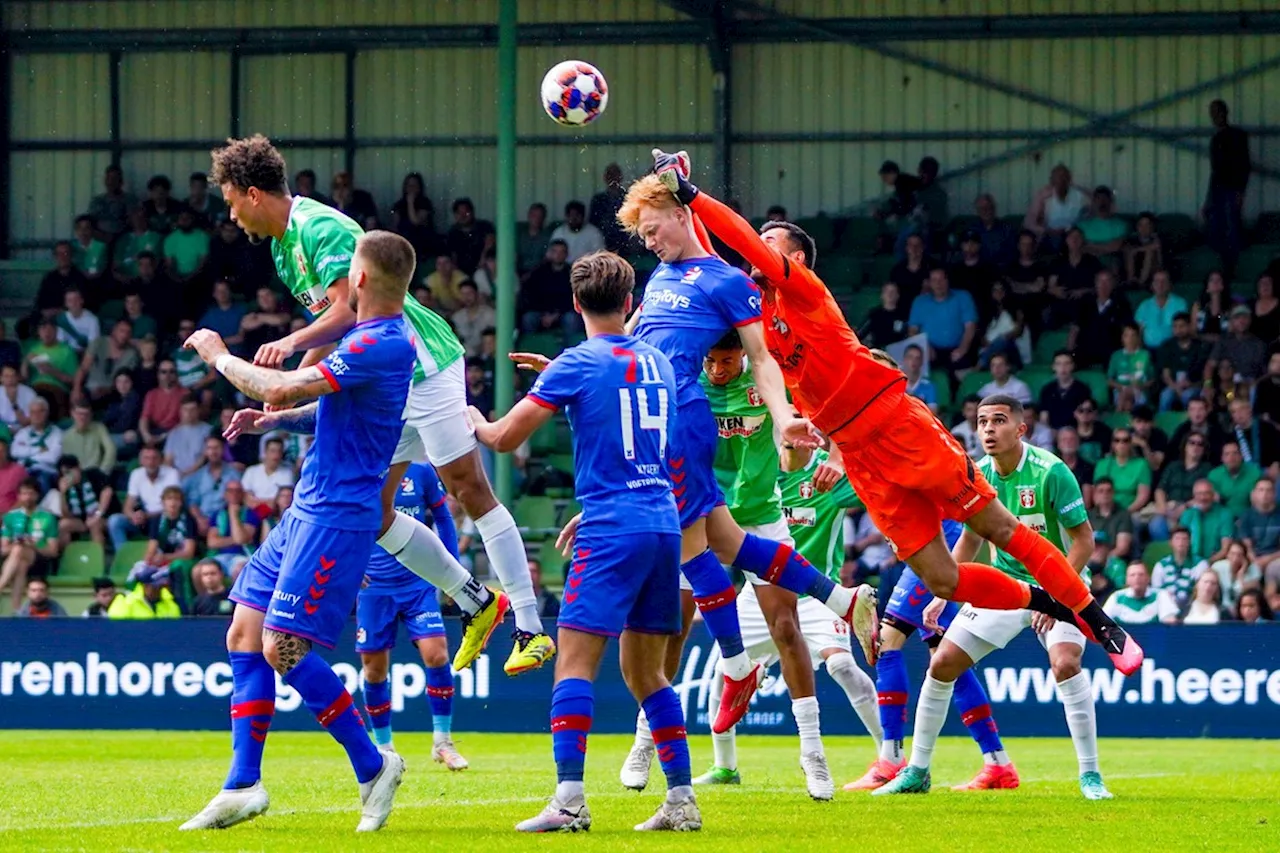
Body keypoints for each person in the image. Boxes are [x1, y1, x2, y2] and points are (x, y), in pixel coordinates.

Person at [652, 149, 1141, 672]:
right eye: (760, 245)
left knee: (999, 528)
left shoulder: (805, 291)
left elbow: (741, 239)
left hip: (896, 423)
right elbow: (707, 265)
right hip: (861, 456)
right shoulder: (757, 311)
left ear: (795, 260)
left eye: (771, 244)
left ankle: (1094, 619)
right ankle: (1041, 598)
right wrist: (679, 202)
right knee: (943, 580)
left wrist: (691, 194)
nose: (756, 252)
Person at [211, 135, 544, 675]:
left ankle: (529, 627)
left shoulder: (319, 228)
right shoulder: (281, 247)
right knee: (378, 512)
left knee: (467, 487)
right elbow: (330, 324)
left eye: (229, 201)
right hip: (385, 382)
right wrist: (291, 388)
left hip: (422, 363)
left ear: (252, 193)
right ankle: (478, 601)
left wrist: (290, 348)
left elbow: (352, 310)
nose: (230, 215)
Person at [178, 230, 427, 834]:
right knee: (245, 629)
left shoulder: (380, 340)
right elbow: (326, 407)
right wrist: (276, 420)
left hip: (338, 515)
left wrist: (218, 355)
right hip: (309, 506)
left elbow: (284, 380)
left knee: (283, 647)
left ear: (360, 279)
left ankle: (373, 766)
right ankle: (243, 784)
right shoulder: (368, 340)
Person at [613, 168, 877, 732]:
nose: (649, 242)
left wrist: (784, 418)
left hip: (687, 422)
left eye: (654, 229)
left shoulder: (756, 290)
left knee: (695, 551)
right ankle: (839, 600)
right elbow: (636, 333)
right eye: (644, 235)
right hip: (658, 421)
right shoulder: (668, 276)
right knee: (718, 542)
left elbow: (760, 358)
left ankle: (737, 666)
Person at [469, 250, 701, 832]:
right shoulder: (658, 362)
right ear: (630, 303)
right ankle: (681, 801)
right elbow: (627, 407)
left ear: (576, 304)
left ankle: (569, 802)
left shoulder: (575, 364)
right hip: (661, 525)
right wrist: (560, 374)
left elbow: (500, 440)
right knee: (648, 675)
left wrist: (468, 416)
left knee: (573, 665)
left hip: (611, 526)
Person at [875, 394, 1111, 800]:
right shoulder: (977, 474)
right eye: (982, 421)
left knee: (1066, 664)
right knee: (943, 662)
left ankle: (1091, 776)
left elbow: (1084, 541)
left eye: (998, 421)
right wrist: (940, 593)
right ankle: (917, 770)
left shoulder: (1052, 471)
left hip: (1061, 585)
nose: (988, 429)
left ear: (1021, 429)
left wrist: (1057, 596)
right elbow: (970, 537)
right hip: (1008, 586)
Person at [676, 338, 875, 799]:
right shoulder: (688, 382)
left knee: (789, 631)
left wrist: (830, 455)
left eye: (728, 361)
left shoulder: (768, 383)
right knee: (678, 627)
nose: (719, 369)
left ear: (745, 355)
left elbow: (824, 429)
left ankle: (816, 756)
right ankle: (664, 746)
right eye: (712, 361)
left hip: (760, 516)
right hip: (705, 509)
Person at [357, 462, 468, 770]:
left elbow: (443, 517)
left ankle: (442, 741)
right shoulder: (364, 467)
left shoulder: (420, 471)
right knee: (375, 670)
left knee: (437, 655)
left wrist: (452, 568)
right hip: (374, 585)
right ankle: (384, 749)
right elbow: (346, 521)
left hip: (418, 579)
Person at [1203, 100, 1251, 279]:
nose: (1215, 117)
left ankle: (1232, 266)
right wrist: (1208, 199)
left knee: (1231, 226)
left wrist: (1240, 190)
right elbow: (1214, 171)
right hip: (1218, 188)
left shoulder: (1237, 136)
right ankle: (1225, 264)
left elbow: (1244, 165)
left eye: (1217, 112)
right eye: (1212, 113)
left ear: (1225, 113)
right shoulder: (1215, 140)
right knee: (1218, 226)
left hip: (1232, 188)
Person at [0, 479, 60, 612]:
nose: (27, 497)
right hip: (16, 562)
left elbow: (53, 551)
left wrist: (33, 545)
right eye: (24, 494)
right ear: (19, 496)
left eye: (31, 494)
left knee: (19, 550)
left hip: (40, 561)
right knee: (20, 561)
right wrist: (17, 544)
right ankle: (16, 610)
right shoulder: (10, 517)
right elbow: (3, 549)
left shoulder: (48, 517)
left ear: (37, 495)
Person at [107, 445, 180, 549]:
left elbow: (174, 507)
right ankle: (123, 557)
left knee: (165, 521)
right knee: (114, 521)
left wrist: (146, 515)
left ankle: (158, 558)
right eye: (146, 458)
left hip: (164, 519)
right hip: (144, 520)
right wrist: (133, 516)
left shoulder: (172, 474)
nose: (150, 462)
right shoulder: (136, 474)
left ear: (161, 460)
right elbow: (127, 506)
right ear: (141, 461)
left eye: (154, 458)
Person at [135, 486, 199, 596]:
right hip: (161, 560)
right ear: (163, 502)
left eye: (176, 499)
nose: (173, 503)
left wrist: (165, 557)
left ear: (181, 503)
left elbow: (189, 553)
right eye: (169, 499)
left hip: (181, 561)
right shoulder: (156, 520)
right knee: (140, 569)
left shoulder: (188, 520)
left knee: (177, 567)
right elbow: (152, 548)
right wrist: (148, 561)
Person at [1150, 434, 1213, 541]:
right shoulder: (1173, 466)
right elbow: (1160, 489)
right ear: (1185, 446)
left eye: (1200, 444)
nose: (1195, 446)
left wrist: (1184, 507)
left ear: (1204, 449)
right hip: (1169, 506)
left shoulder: (1207, 469)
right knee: (1155, 525)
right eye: (1192, 442)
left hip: (1191, 508)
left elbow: (1206, 495)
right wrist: (1163, 508)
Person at [49, 454, 111, 548]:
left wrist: (97, 515)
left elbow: (107, 492)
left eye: (70, 471)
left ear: (78, 468)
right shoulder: (65, 486)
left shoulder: (93, 474)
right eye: (64, 473)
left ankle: (98, 558)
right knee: (63, 524)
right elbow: (66, 515)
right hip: (82, 520)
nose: (68, 476)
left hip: (103, 517)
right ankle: (68, 558)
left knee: (94, 524)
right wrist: (62, 494)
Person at [73, 318, 138, 404]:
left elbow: (127, 381)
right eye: (121, 331)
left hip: (114, 393)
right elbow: (83, 368)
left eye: (128, 332)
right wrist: (76, 389)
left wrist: (107, 390)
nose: (124, 335)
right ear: (114, 331)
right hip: (90, 390)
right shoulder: (98, 343)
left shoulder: (132, 354)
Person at [1156, 312, 1211, 412]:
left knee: (1187, 396)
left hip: (1194, 386)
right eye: (1175, 326)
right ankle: (1162, 424)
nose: (1178, 330)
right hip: (1173, 385)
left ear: (1189, 326)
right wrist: (1176, 387)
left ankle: (1191, 423)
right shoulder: (1167, 346)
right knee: (1165, 395)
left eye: (1182, 326)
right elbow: (1166, 375)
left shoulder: (1200, 346)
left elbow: (1205, 374)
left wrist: (1191, 384)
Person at [204, 479, 257, 581]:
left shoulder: (251, 513)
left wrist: (234, 515)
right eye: (230, 491)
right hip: (218, 555)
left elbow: (241, 540)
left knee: (239, 570)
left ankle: (235, 598)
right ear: (225, 494)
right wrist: (235, 539)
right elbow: (212, 542)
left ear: (242, 494)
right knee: (198, 570)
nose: (234, 494)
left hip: (242, 556)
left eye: (237, 491)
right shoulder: (218, 514)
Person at [11, 397, 63, 492]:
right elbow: (14, 451)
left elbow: (52, 458)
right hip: (23, 471)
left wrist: (27, 456)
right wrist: (38, 449)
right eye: (33, 412)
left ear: (47, 413)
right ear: (29, 415)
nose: (37, 415)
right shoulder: (23, 433)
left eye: (40, 411)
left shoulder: (57, 433)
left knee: (40, 479)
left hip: (46, 472)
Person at [1103, 562, 1179, 625]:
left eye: (1141, 574)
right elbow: (1102, 622)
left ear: (1148, 578)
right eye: (1132, 575)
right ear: (1127, 580)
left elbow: (1170, 624)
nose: (1137, 578)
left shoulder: (1160, 595)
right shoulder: (1116, 597)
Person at [1107, 323, 1155, 412]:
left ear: (1138, 338)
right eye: (1127, 336)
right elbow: (1109, 381)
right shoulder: (1116, 355)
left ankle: (1118, 417)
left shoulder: (1145, 355)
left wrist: (1141, 386)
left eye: (1133, 335)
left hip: (1139, 390)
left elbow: (1152, 380)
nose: (1130, 339)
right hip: (1121, 390)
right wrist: (1121, 387)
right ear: (1122, 338)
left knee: (1129, 400)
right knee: (1124, 398)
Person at [138, 359, 187, 447]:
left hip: (176, 432)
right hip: (155, 430)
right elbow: (144, 418)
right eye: (163, 372)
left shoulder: (185, 394)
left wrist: (164, 436)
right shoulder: (152, 394)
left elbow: (186, 421)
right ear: (158, 375)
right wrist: (146, 435)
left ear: (176, 374)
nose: (167, 375)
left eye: (171, 372)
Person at [1135, 271, 1188, 351]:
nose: (1160, 285)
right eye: (1157, 281)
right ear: (1152, 285)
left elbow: (1184, 329)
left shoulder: (1180, 303)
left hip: (1173, 350)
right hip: (1149, 351)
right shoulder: (1144, 305)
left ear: (1169, 284)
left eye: (1164, 281)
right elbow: (1138, 332)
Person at [107, 565, 182, 619]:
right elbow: (116, 630)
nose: (158, 589)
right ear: (145, 586)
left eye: (161, 585)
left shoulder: (170, 603)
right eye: (155, 586)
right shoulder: (125, 602)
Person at [163, 399, 213, 479]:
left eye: (192, 409)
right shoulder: (174, 433)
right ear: (181, 411)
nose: (189, 413)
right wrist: (174, 475)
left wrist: (187, 473)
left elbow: (204, 457)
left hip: (200, 474)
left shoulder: (208, 431)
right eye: (185, 409)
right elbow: (168, 459)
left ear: (198, 410)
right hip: (177, 476)